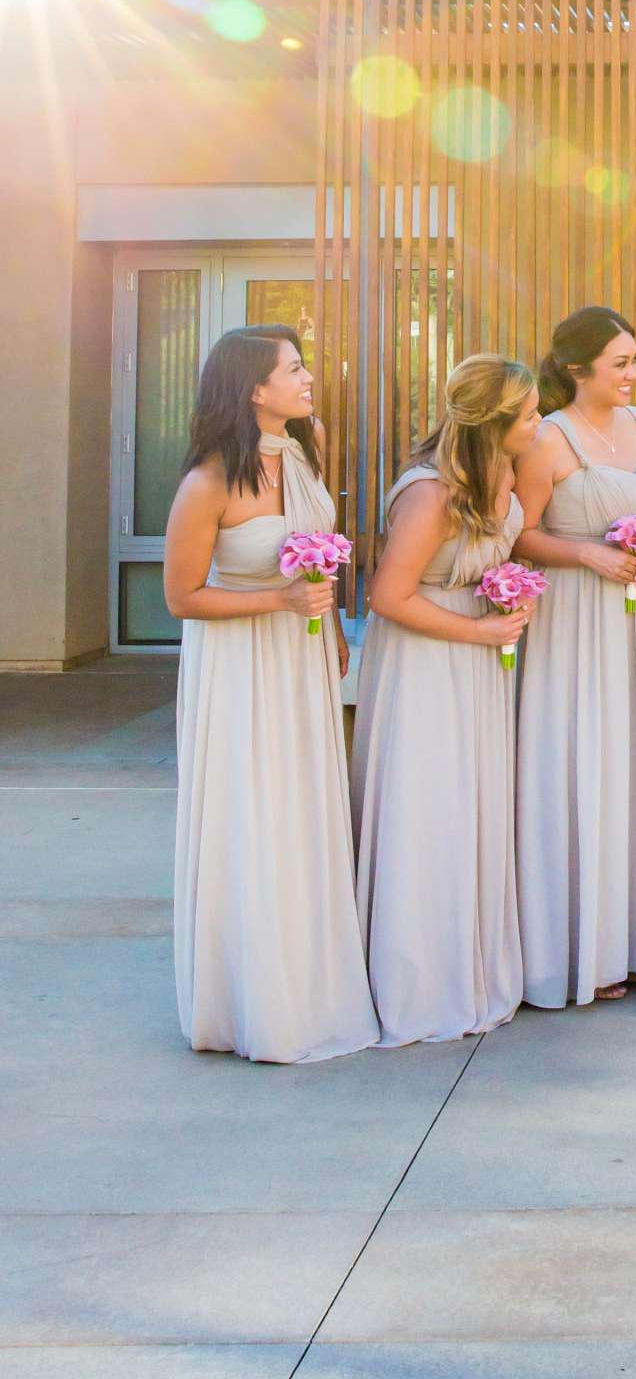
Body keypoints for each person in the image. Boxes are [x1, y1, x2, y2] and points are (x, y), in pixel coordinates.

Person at [165, 324, 377, 1063]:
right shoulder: (208, 483)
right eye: (295, 368)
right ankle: (249, 1000)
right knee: (252, 814)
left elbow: (320, 547)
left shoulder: (307, 445)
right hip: (240, 667)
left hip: (304, 658)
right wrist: (280, 603)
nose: (309, 376)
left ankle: (313, 982)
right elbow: (182, 598)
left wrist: (330, 624)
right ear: (255, 388)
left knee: (302, 811)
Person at [352, 353, 541, 1046]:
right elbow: (388, 597)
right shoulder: (429, 493)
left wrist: (505, 593)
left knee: (468, 809)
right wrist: (478, 627)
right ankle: (420, 985)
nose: (538, 423)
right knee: (426, 809)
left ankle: (469, 969)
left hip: (476, 663)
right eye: (529, 414)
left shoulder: (501, 475)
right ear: (496, 423)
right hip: (427, 668)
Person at [514, 307, 636, 1008]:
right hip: (573, 623)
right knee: (578, 766)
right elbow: (515, 536)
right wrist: (586, 553)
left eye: (634, 359)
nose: (632, 374)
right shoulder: (547, 439)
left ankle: (632, 941)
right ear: (578, 370)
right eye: (619, 363)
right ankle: (579, 947)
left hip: (635, 620)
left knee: (631, 767)